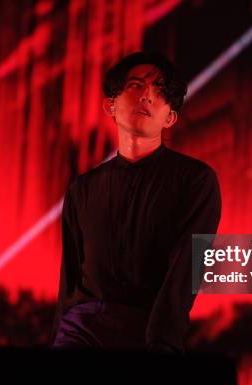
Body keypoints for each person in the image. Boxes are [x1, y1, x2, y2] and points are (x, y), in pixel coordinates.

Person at [51, 52, 221, 354]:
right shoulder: (83, 189)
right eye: (136, 85)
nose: (147, 96)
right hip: (80, 330)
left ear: (170, 117)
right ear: (110, 106)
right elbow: (70, 276)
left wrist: (162, 342)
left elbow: (186, 273)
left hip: (146, 332)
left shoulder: (195, 181)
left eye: (160, 91)